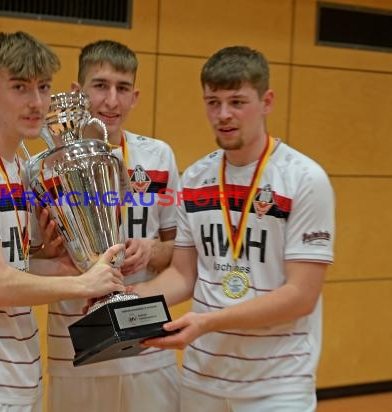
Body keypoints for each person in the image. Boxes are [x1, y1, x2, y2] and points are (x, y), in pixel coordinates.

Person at [0, 31, 126, 412]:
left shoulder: (21, 166)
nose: (36, 102)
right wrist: (83, 282)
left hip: (20, 373)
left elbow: (13, 267)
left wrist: (64, 262)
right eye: (19, 87)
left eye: (43, 87)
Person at [134, 46, 335, 412]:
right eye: (213, 102)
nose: (223, 115)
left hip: (276, 386)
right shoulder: (195, 178)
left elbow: (301, 295)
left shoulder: (305, 179)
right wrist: (125, 303)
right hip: (202, 379)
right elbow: (182, 274)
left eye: (237, 101)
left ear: (267, 101)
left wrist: (208, 322)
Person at [40, 40, 181, 412]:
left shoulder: (158, 156)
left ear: (135, 96)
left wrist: (152, 250)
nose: (111, 101)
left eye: (122, 88)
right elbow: (33, 257)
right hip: (77, 349)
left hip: (150, 347)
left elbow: (179, 252)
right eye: (100, 86)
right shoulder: (47, 166)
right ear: (77, 92)